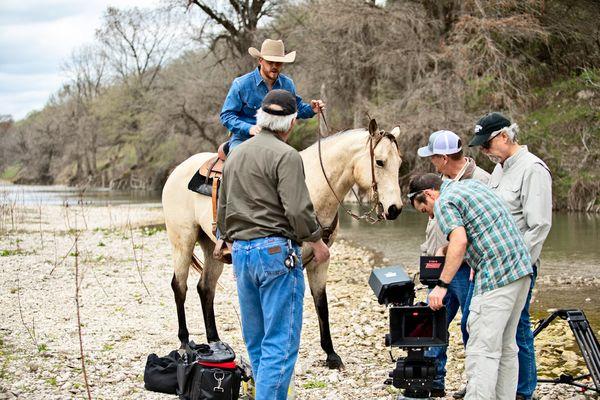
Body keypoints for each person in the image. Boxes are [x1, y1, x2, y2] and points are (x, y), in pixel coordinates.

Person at [217, 89, 330, 400]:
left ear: (260, 119)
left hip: (241, 251)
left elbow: (223, 207)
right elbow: (297, 209)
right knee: (280, 341)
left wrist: (222, 239)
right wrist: (317, 241)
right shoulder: (287, 156)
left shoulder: (236, 152)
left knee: (256, 339)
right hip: (276, 254)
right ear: (291, 123)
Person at [410, 173, 533, 400]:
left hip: (496, 276)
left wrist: (441, 285)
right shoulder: (472, 186)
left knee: (482, 349)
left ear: (428, 194)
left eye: (425, 210)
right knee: (506, 346)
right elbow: (481, 229)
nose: (430, 216)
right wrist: (446, 250)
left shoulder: (444, 201)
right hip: (522, 270)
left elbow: (460, 240)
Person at [468, 112, 552, 400]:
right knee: (500, 334)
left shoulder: (533, 169)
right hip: (492, 266)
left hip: (517, 266)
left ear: (505, 136)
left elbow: (539, 225)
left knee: (516, 330)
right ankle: (505, 391)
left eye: (487, 144)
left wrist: (519, 265)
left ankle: (523, 391)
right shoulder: (500, 170)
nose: (484, 151)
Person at [415, 130, 490, 398]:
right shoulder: (442, 183)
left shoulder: (481, 180)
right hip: (443, 265)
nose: (432, 162)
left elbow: (482, 227)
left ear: (444, 157)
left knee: (471, 326)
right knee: (433, 323)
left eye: (433, 157)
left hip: (469, 269)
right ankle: (433, 381)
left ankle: (476, 385)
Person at [220, 38, 325, 153]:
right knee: (237, 160)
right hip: (243, 139)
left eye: (278, 63)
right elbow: (227, 115)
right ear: (260, 60)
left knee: (291, 160)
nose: (275, 66)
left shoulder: (287, 84)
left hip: (276, 139)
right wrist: (249, 128)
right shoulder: (241, 84)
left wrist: (311, 109)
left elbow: (296, 109)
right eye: (270, 62)